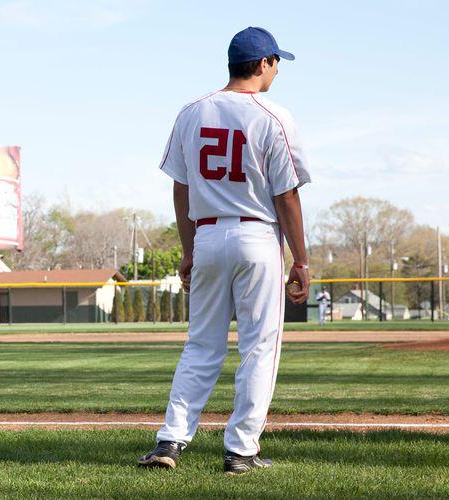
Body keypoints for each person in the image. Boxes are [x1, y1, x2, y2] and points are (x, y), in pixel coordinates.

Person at [138, 27, 311, 475]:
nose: (276, 70)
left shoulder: (191, 112)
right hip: (257, 237)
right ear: (262, 64)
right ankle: (241, 450)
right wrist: (302, 260)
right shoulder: (273, 116)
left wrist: (189, 247)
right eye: (276, 62)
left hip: (209, 233)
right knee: (259, 347)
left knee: (201, 345)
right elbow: (287, 196)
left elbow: (181, 187)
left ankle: (170, 441)